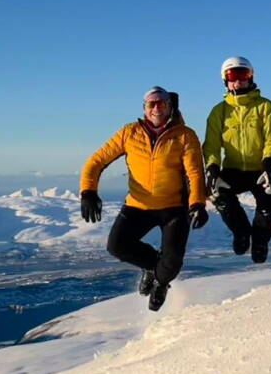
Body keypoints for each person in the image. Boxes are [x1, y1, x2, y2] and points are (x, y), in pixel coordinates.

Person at [79, 87, 208, 312]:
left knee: (172, 264)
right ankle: (150, 266)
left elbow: (195, 172)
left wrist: (197, 203)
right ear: (144, 108)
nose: (157, 107)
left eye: (162, 103)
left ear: (170, 107)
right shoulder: (129, 133)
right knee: (117, 246)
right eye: (152, 103)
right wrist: (88, 191)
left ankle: (161, 281)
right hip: (138, 205)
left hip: (174, 207)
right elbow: (96, 162)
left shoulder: (185, 135)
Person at [203, 56, 271, 263]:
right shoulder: (219, 111)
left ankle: (260, 241)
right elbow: (211, 144)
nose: (237, 80)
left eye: (243, 75)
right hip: (233, 169)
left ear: (251, 77)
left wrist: (269, 162)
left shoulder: (266, 107)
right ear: (225, 80)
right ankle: (241, 232)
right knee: (219, 196)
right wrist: (212, 167)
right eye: (232, 75)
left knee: (269, 209)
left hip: (260, 169)